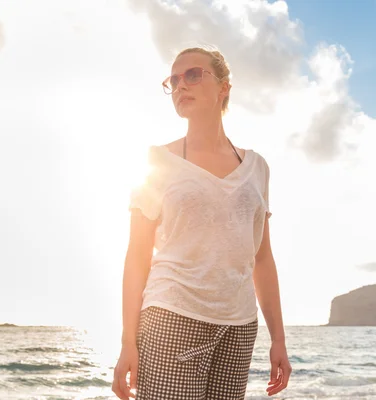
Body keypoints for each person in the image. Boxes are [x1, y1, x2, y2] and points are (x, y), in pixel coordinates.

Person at [111, 47, 292, 400]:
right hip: (172, 317)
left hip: (239, 326)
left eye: (193, 74)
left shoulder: (258, 168)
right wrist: (127, 342)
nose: (181, 86)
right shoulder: (157, 162)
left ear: (224, 86)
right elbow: (137, 256)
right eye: (173, 80)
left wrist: (279, 340)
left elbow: (262, 258)